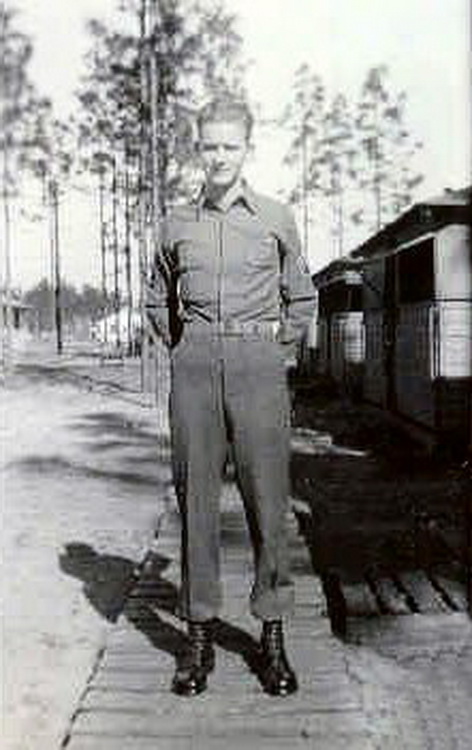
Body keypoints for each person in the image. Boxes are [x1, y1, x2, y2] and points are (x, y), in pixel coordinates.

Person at [146, 96, 315, 697]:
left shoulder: (274, 217)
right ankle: (197, 637)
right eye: (210, 145)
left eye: (230, 145)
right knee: (195, 500)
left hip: (257, 366)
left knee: (269, 503)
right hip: (195, 367)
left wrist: (274, 351)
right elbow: (157, 299)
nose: (219, 156)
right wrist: (187, 348)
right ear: (199, 147)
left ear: (247, 148)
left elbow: (302, 297)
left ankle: (272, 634)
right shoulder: (176, 224)